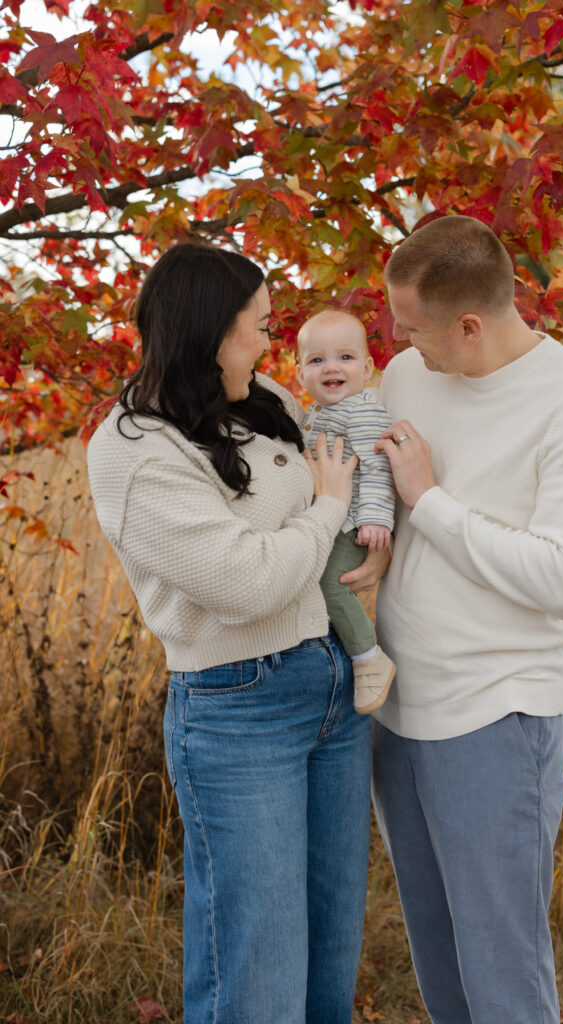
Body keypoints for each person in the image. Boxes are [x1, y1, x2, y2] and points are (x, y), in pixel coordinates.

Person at [87, 241, 377, 1024]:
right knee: (258, 963)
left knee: (327, 948)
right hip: (238, 708)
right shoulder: (134, 450)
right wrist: (322, 511)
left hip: (329, 685)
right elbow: (247, 582)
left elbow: (332, 504)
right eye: (257, 326)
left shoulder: (263, 398)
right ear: (211, 331)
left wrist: (358, 538)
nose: (269, 342)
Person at [371, 215, 563, 1024]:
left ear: (470, 325)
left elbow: (562, 577)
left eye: (413, 328)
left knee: (501, 969)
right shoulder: (409, 375)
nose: (401, 343)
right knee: (439, 961)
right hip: (399, 705)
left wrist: (430, 501)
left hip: (496, 710)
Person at [296, 309, 396, 713]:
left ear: (368, 368)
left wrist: (376, 520)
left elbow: (377, 467)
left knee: (330, 584)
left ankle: (369, 657)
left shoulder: (363, 411)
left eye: (345, 358)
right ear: (300, 371)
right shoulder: (315, 413)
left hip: (353, 523)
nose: (331, 367)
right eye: (317, 360)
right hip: (328, 518)